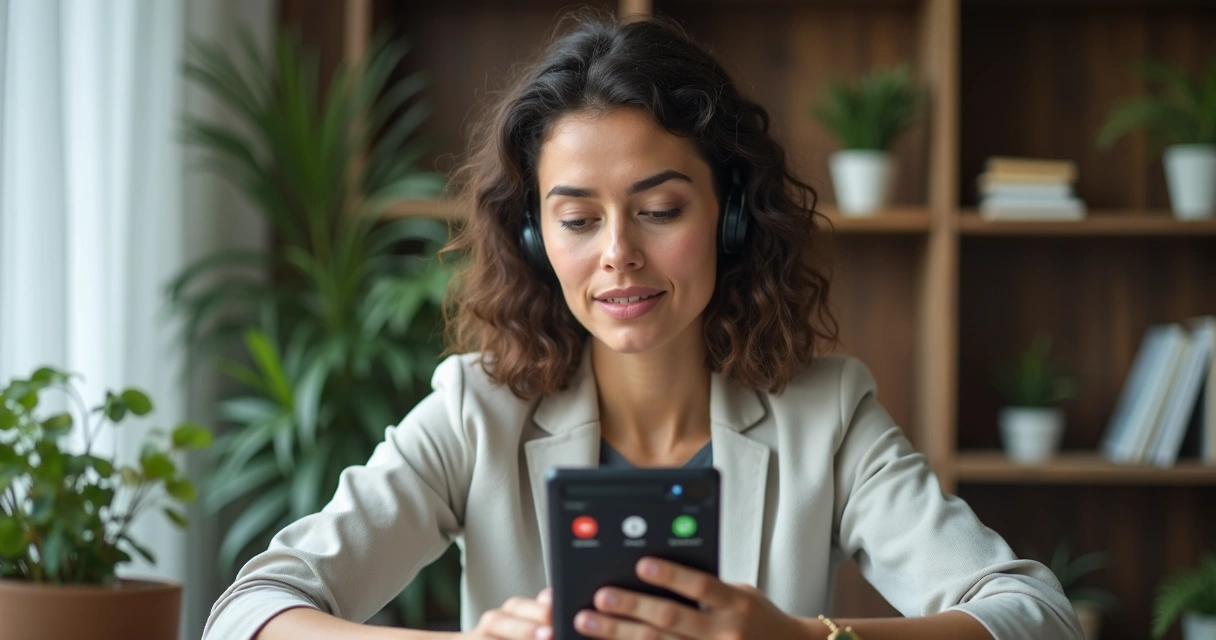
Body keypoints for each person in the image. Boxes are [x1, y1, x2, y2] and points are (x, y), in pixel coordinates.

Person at [203, 12, 1082, 640]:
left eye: (659, 208)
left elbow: (1037, 615)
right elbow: (248, 613)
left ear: (731, 216)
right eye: (578, 221)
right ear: (533, 235)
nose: (618, 255)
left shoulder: (828, 413)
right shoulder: (475, 412)